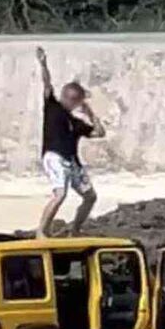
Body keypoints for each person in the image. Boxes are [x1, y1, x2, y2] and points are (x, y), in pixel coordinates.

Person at [35, 47, 106, 237]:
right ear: (67, 97)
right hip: (54, 156)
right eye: (73, 100)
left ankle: (75, 230)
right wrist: (43, 64)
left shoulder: (76, 123)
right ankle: (41, 231)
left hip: (72, 161)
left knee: (90, 197)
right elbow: (47, 84)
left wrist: (90, 113)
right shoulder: (53, 108)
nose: (73, 103)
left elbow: (99, 132)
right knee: (60, 194)